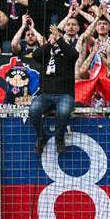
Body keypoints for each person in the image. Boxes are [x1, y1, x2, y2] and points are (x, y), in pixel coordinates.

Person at [30, 25, 79, 155]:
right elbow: (35, 55)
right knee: (33, 111)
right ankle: (42, 137)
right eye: (53, 37)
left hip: (64, 95)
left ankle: (59, 138)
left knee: (63, 112)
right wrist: (50, 43)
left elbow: (73, 54)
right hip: (45, 95)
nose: (56, 40)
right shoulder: (46, 53)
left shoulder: (68, 54)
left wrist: (59, 38)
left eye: (58, 38)